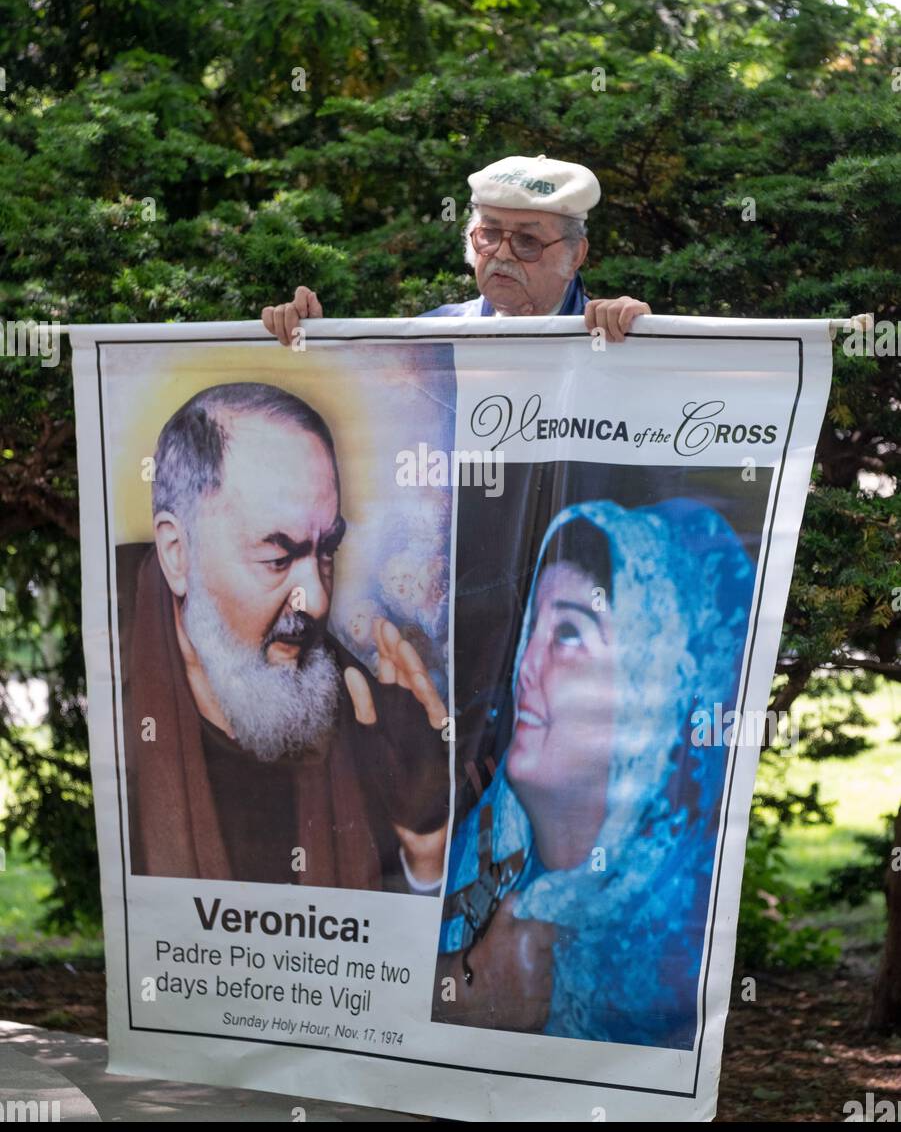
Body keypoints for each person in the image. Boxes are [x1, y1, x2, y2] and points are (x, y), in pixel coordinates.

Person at [432, 497, 756, 1047]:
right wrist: (471, 983)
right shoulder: (483, 840)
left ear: (655, 697)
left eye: (569, 634)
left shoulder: (668, 957)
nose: (526, 667)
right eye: (533, 628)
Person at [117, 381, 449, 893]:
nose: (315, 600)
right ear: (177, 554)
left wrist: (426, 840)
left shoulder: (363, 708)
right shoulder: (108, 654)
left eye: (325, 552)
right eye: (277, 559)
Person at [261, 154, 651, 337]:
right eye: (489, 234)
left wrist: (646, 335)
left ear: (575, 255)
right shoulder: (434, 333)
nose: (501, 254)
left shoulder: (610, 335)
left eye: (528, 241)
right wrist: (312, 340)